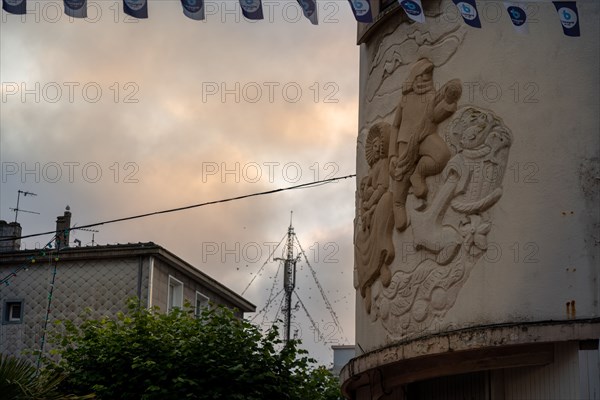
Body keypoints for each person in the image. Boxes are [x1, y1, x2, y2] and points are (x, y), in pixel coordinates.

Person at [389, 58, 462, 231]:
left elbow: (434, 117)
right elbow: (395, 125)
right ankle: (398, 204)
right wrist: (392, 154)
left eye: (428, 74)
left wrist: (448, 104)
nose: (425, 78)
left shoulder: (432, 96)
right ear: (414, 76)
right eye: (421, 74)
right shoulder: (405, 99)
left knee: (442, 155)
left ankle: (418, 174)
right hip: (406, 139)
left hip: (426, 135)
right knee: (402, 171)